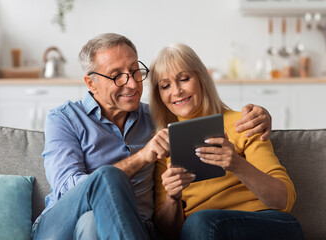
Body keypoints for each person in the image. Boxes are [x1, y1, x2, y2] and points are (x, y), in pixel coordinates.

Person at [31, 33, 273, 240]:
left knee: (93, 224)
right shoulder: (64, 119)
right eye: (117, 76)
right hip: (60, 226)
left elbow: (199, 113)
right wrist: (142, 158)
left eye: (135, 71)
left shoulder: (159, 119)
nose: (133, 84)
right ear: (91, 83)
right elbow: (66, 190)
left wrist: (260, 115)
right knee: (107, 178)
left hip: (134, 228)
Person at [150, 43, 304, 240]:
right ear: (159, 95)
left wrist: (236, 164)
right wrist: (173, 198)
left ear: (201, 78)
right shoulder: (164, 147)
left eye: (184, 79)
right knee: (197, 224)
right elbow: (169, 232)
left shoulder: (245, 123)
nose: (177, 91)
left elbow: (283, 201)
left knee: (199, 222)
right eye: (165, 86)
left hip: (267, 224)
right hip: (202, 232)